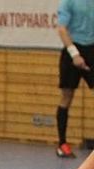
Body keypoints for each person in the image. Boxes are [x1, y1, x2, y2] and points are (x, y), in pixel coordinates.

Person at [55, 0, 94, 158]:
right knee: (67, 96)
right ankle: (62, 144)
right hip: (72, 50)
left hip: (91, 49)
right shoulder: (68, 2)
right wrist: (75, 54)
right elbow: (62, 29)